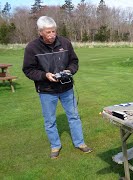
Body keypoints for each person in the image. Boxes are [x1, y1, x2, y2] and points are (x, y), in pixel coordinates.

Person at [22, 16, 92, 159]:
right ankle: (55, 145)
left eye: (54, 31)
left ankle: (80, 143)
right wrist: (44, 75)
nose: (52, 35)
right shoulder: (32, 47)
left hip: (67, 88)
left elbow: (74, 61)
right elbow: (28, 70)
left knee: (74, 116)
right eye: (48, 32)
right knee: (49, 121)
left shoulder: (65, 43)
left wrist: (69, 71)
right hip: (47, 91)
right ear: (40, 32)